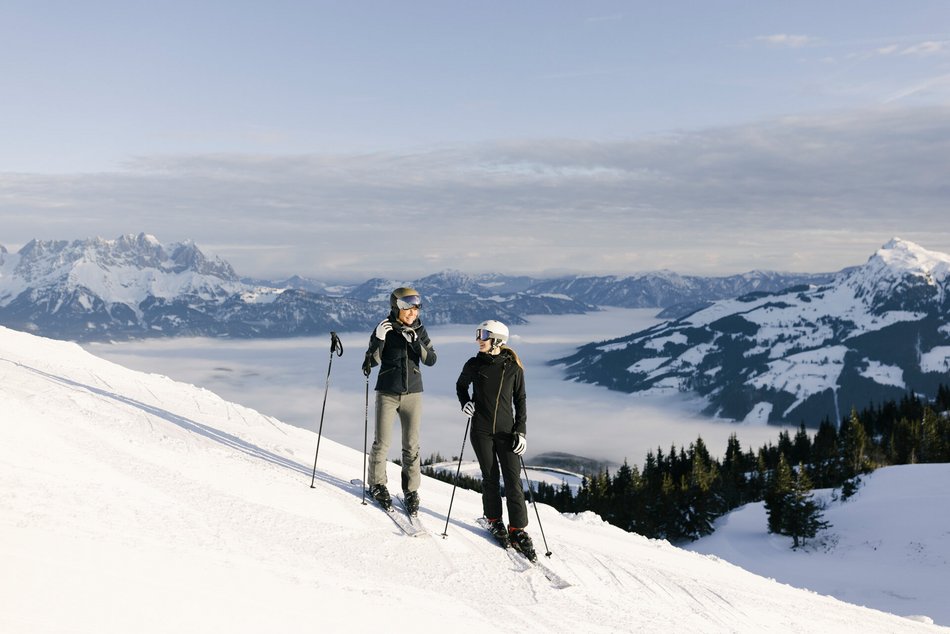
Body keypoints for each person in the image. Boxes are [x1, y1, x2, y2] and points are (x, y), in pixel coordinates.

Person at [455, 319, 536, 561]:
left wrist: (520, 432)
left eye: (484, 334)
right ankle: (494, 520)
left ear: (498, 340)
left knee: (513, 480)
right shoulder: (473, 364)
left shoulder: (513, 369)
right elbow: (461, 386)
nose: (479, 338)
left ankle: (517, 529)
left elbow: (520, 402)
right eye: (478, 333)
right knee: (490, 477)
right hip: (480, 431)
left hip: (506, 433)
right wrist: (465, 403)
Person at [362, 287, 437, 515]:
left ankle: (411, 491)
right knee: (382, 443)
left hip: (413, 394)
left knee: (412, 446)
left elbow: (432, 359)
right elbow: (369, 363)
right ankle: (377, 484)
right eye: (407, 307)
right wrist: (380, 340)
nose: (412, 312)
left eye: (415, 308)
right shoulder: (383, 329)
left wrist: (416, 342)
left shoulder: (420, 330)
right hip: (387, 392)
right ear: (396, 307)